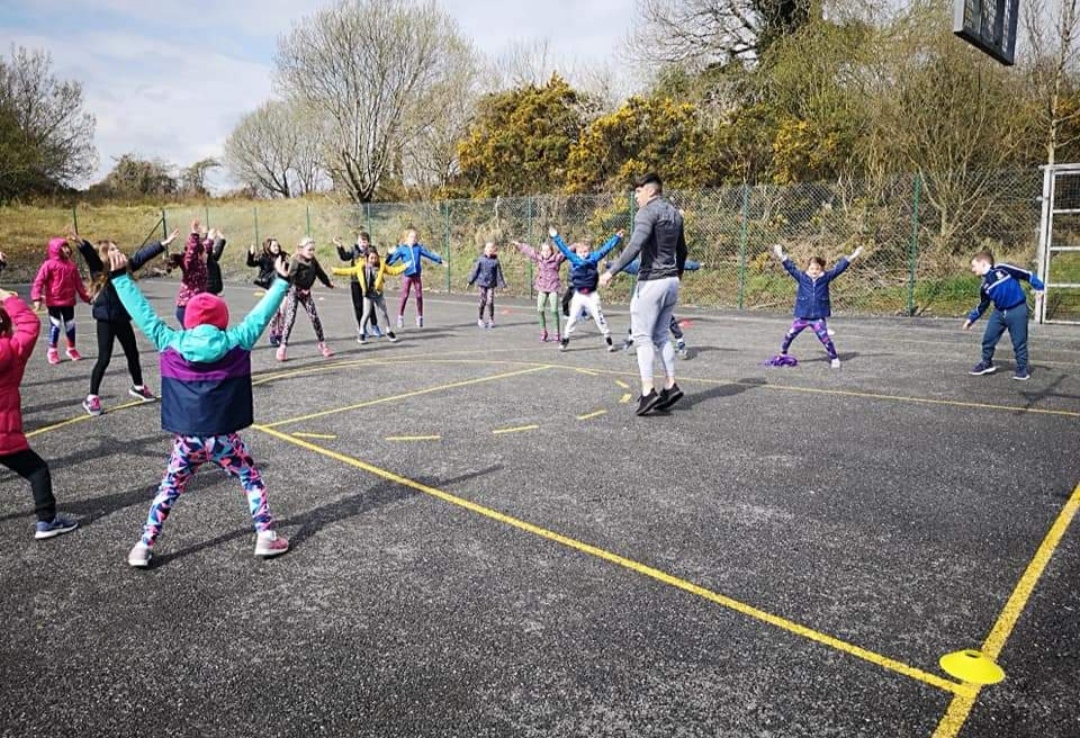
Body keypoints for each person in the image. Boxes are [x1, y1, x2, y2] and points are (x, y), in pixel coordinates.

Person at [108, 250, 292, 568]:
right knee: (250, 477)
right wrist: (282, 281)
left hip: (187, 439)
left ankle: (143, 544)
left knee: (169, 488)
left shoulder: (169, 342)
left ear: (189, 320)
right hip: (223, 438)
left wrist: (120, 278)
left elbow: (144, 314)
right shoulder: (237, 341)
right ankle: (265, 535)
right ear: (222, 319)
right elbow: (260, 315)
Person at [600, 173, 687, 416]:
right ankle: (670, 385)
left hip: (652, 282)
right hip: (671, 281)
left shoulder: (646, 212)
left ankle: (648, 391)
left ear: (650, 191)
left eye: (638, 192)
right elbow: (683, 249)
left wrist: (612, 271)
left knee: (641, 337)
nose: (635, 197)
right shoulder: (674, 213)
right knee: (661, 335)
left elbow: (635, 244)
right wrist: (678, 274)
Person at [72, 226, 181, 416]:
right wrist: (81, 243)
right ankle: (91, 397)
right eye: (112, 249)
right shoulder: (99, 269)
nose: (117, 251)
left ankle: (138, 387)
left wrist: (163, 244)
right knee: (104, 358)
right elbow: (90, 255)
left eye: (117, 248)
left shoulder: (125, 268)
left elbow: (142, 257)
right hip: (106, 321)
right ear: (105, 255)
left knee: (132, 353)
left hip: (122, 318)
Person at [0, 286, 79, 539]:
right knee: (37, 471)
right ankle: (47, 520)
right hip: (4, 434)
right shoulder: (12, 351)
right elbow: (29, 324)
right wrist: (8, 298)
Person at [767, 243, 863, 369]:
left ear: (821, 269)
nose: (814, 271)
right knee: (790, 335)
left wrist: (853, 255)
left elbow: (839, 268)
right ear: (808, 269)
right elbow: (790, 267)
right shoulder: (801, 277)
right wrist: (780, 254)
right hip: (803, 316)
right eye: (812, 269)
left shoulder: (826, 277)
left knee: (825, 339)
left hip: (817, 317)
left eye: (817, 269)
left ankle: (834, 358)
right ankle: (782, 354)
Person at [962, 250, 1044, 380]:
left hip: (1017, 310)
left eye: (974, 266)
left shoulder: (1002, 268)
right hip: (999, 313)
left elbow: (1025, 274)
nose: (972, 269)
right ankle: (986, 363)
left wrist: (1039, 287)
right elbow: (983, 305)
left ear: (983, 263)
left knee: (1019, 342)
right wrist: (971, 319)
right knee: (988, 338)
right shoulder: (984, 286)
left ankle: (1022, 369)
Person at [549, 228, 623, 352]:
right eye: (581, 252)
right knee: (572, 318)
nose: (583, 254)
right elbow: (564, 249)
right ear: (576, 252)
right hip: (579, 295)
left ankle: (608, 338)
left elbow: (605, 249)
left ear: (589, 251)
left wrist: (616, 238)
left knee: (599, 317)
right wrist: (555, 236)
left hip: (591, 295)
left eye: (586, 251)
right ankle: (565, 338)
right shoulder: (574, 258)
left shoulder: (593, 258)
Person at [613, 257, 702, 358]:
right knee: (649, 318)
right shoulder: (653, 262)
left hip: (655, 296)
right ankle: (632, 338)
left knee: (663, 319)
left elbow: (625, 265)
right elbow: (625, 265)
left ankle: (680, 343)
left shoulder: (652, 263)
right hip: (651, 297)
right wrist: (696, 265)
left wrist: (696, 265)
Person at [31, 236, 91, 364]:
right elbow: (39, 281)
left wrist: (87, 298)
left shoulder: (71, 266)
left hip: (68, 301)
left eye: (67, 246)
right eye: (63, 247)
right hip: (54, 302)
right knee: (56, 325)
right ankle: (52, 350)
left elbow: (79, 285)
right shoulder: (48, 265)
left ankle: (71, 348)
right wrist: (36, 297)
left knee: (70, 324)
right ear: (56, 250)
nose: (67, 250)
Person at [277, 236, 335, 361]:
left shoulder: (313, 261)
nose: (312, 252)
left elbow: (320, 273)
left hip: (306, 293)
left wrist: (328, 283)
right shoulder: (295, 260)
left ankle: (322, 344)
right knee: (290, 318)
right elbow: (290, 276)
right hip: (294, 291)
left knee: (314, 317)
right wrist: (286, 289)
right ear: (301, 249)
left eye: (313, 249)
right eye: (309, 250)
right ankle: (282, 347)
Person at [331, 248, 405, 343]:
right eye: (372, 258)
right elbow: (349, 271)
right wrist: (336, 271)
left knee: (384, 313)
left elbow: (393, 271)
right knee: (366, 314)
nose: (374, 260)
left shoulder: (381, 265)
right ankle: (362, 332)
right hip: (368, 295)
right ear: (367, 258)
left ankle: (388, 331)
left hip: (378, 294)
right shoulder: (361, 267)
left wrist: (405, 266)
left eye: (375, 258)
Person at [386, 228, 446, 328]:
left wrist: (440, 261)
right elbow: (391, 261)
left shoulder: (418, 248)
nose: (414, 239)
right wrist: (385, 262)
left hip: (417, 275)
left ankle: (420, 317)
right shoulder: (402, 249)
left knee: (419, 296)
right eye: (411, 237)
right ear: (406, 237)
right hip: (407, 276)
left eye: (415, 237)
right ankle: (400, 316)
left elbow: (429, 254)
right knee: (405, 295)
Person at [514, 238, 566, 341]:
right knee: (540, 310)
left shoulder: (557, 258)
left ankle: (556, 333)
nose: (545, 252)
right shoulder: (539, 258)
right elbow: (529, 250)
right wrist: (519, 244)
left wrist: (576, 246)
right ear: (541, 251)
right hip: (542, 287)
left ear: (552, 251)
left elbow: (566, 251)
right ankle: (543, 331)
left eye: (548, 250)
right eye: (543, 250)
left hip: (553, 288)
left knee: (554, 310)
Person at [334, 232, 378, 340]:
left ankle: (374, 325)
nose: (362, 244)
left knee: (370, 305)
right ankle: (361, 327)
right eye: (360, 241)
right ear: (357, 242)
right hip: (356, 281)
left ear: (368, 242)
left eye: (364, 241)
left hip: (368, 281)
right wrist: (340, 247)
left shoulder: (371, 250)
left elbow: (378, 261)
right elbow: (344, 257)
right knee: (358, 306)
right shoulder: (354, 250)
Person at [247, 238, 288, 346]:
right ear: (268, 247)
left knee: (283, 312)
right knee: (274, 312)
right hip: (271, 287)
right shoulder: (264, 257)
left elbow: (289, 269)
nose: (276, 248)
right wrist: (251, 254)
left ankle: (280, 333)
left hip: (283, 287)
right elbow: (251, 263)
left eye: (277, 245)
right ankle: (273, 332)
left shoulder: (283, 256)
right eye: (274, 246)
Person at [171, 219, 209, 327]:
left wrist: (206, 235)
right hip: (186, 308)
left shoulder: (201, 265)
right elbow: (191, 253)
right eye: (205, 253)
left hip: (195, 307)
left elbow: (205, 246)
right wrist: (194, 233)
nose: (207, 254)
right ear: (199, 255)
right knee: (193, 335)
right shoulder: (191, 265)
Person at [466, 242, 507, 329]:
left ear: (494, 250)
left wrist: (503, 285)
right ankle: (480, 319)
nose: (489, 250)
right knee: (482, 301)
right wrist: (470, 282)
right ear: (485, 250)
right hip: (482, 284)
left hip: (491, 284)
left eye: (491, 248)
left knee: (490, 301)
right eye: (488, 248)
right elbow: (475, 271)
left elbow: (499, 274)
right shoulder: (480, 260)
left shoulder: (495, 261)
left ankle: (491, 319)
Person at [205, 228, 227, 296]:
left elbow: (217, 253)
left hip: (213, 289)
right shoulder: (205, 257)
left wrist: (222, 239)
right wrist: (210, 238)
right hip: (208, 290)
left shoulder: (212, 258)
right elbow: (207, 249)